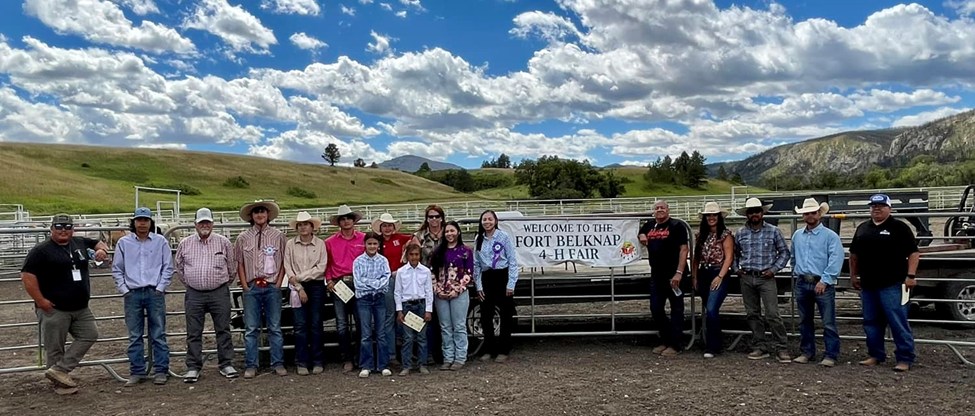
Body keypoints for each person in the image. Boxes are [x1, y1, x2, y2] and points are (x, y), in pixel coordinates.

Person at [21, 214, 109, 394]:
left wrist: (102, 250)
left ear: (73, 229)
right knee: (55, 346)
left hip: (81, 307)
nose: (63, 230)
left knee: (90, 334)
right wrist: (40, 301)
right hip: (54, 308)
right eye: (59, 226)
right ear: (51, 228)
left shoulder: (79, 242)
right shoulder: (40, 251)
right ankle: (59, 384)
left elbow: (97, 243)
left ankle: (60, 370)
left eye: (67, 227)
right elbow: (27, 276)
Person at [850, 194, 920, 372]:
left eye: (881, 206)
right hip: (868, 284)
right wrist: (853, 276)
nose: (876, 208)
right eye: (873, 206)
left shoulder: (899, 227)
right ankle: (875, 354)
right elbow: (854, 255)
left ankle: (905, 357)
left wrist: (910, 275)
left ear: (889, 208)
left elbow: (913, 253)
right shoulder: (863, 228)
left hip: (893, 283)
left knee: (897, 320)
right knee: (871, 321)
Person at [174, 207, 239, 383]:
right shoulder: (185, 244)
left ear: (212, 224)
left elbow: (232, 268)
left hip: (219, 291)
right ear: (195, 224)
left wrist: (222, 282)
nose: (204, 225)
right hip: (194, 293)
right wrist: (190, 282)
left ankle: (226, 363)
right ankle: (193, 367)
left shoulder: (224, 243)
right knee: (193, 332)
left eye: (207, 222)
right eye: (201, 222)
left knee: (223, 329)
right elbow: (179, 267)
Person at [112, 207, 174, 386]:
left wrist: (160, 287)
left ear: (150, 222)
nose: (142, 223)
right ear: (134, 222)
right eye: (139, 220)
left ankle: (161, 370)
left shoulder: (160, 241)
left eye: (145, 220)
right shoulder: (124, 243)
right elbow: (117, 268)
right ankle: (137, 371)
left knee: (158, 333)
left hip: (154, 291)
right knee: (134, 335)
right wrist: (125, 289)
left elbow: (167, 266)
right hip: (133, 292)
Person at [734, 197, 792, 362]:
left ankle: (781, 347)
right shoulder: (740, 233)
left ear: (762, 213)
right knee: (752, 314)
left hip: (766, 277)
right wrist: (737, 268)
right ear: (747, 214)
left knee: (773, 314)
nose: (754, 214)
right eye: (751, 212)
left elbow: (784, 252)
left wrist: (773, 270)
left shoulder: (773, 231)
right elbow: (735, 254)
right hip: (747, 276)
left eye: (757, 211)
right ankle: (760, 345)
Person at [234, 200, 287, 378]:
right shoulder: (242, 238)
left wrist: (279, 282)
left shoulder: (279, 236)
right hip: (252, 285)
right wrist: (245, 284)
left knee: (275, 327)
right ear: (251, 216)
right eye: (256, 212)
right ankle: (251, 364)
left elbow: (284, 262)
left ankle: (277, 363)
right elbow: (239, 262)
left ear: (268, 214)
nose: (259, 215)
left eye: (262, 211)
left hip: (272, 285)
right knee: (251, 328)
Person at [791, 198, 844, 367]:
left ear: (819, 214)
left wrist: (825, 280)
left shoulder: (830, 236)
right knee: (805, 320)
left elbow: (836, 259)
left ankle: (830, 354)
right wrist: (797, 272)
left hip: (822, 283)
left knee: (828, 321)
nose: (810, 216)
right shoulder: (797, 236)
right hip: (803, 281)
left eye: (813, 213)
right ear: (803, 216)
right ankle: (807, 351)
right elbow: (793, 257)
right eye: (807, 213)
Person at [637, 201, 689, 357]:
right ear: (653, 211)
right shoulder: (650, 225)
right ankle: (666, 339)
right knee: (656, 308)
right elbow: (641, 232)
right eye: (657, 208)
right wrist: (641, 235)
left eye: (662, 208)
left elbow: (684, 249)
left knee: (676, 309)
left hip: (674, 275)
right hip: (657, 274)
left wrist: (679, 272)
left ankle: (676, 344)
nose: (659, 210)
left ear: (668, 210)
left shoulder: (677, 226)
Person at [284, 211, 328, 376]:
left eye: (306, 224)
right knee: (300, 325)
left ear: (312, 227)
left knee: (316, 324)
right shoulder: (290, 245)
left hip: (315, 286)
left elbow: (321, 268)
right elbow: (287, 266)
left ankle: (317, 360)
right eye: (300, 224)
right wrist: (298, 285)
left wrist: (299, 278)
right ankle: (302, 361)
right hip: (297, 286)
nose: (303, 227)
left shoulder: (320, 244)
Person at [324, 205, 366, 372]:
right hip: (339, 283)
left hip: (359, 283)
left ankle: (361, 356)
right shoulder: (329, 242)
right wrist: (329, 281)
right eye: (343, 218)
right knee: (341, 324)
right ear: (339, 222)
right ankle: (347, 358)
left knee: (361, 322)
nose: (346, 221)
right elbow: (326, 264)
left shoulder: (364, 239)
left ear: (353, 220)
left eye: (349, 218)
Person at [474, 210, 519, 363]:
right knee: (486, 315)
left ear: (495, 221)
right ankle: (489, 348)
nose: (487, 222)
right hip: (487, 277)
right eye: (484, 219)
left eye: (490, 219)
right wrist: (479, 285)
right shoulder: (478, 239)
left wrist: (511, 283)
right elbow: (476, 264)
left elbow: (512, 260)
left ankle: (504, 349)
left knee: (506, 315)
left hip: (502, 275)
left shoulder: (504, 237)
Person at [690, 202, 733, 358]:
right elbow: (696, 258)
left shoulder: (726, 235)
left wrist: (720, 276)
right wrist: (694, 276)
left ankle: (713, 346)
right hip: (703, 273)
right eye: (709, 215)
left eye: (714, 215)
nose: (711, 218)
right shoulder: (700, 235)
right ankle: (712, 340)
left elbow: (729, 257)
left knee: (711, 308)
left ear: (719, 217)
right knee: (709, 308)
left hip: (718, 271)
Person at [430, 220, 473, 370]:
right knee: (445, 326)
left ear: (458, 232)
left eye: (452, 231)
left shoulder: (466, 251)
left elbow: (469, 273)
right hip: (441, 294)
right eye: (447, 231)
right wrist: (438, 290)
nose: (449, 234)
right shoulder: (437, 252)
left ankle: (460, 357)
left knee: (459, 325)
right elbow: (432, 273)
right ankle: (448, 357)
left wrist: (457, 289)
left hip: (459, 293)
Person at [373, 213, 413, 366]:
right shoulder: (378, 242)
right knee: (391, 316)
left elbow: (415, 239)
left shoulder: (401, 238)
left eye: (390, 225)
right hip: (387, 281)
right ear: (380, 228)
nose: (387, 228)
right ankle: (391, 354)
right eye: (384, 225)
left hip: (402, 278)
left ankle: (406, 351)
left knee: (404, 313)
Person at [353, 232, 392, 377]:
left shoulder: (383, 260)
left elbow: (386, 278)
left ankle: (383, 365)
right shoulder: (358, 261)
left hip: (379, 298)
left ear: (379, 245)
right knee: (366, 333)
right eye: (369, 243)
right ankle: (366, 365)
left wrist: (371, 283)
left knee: (381, 332)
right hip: (364, 299)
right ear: (365, 244)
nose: (372, 246)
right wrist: (375, 284)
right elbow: (358, 282)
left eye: (375, 243)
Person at [395, 243, 433, 375]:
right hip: (407, 306)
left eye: (416, 254)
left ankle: (422, 364)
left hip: (421, 305)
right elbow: (397, 292)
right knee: (408, 337)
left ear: (420, 255)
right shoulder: (401, 272)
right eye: (411, 254)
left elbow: (429, 291)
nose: (414, 257)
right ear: (407, 255)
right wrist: (399, 310)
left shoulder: (426, 271)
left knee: (422, 337)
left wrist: (428, 310)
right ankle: (407, 365)